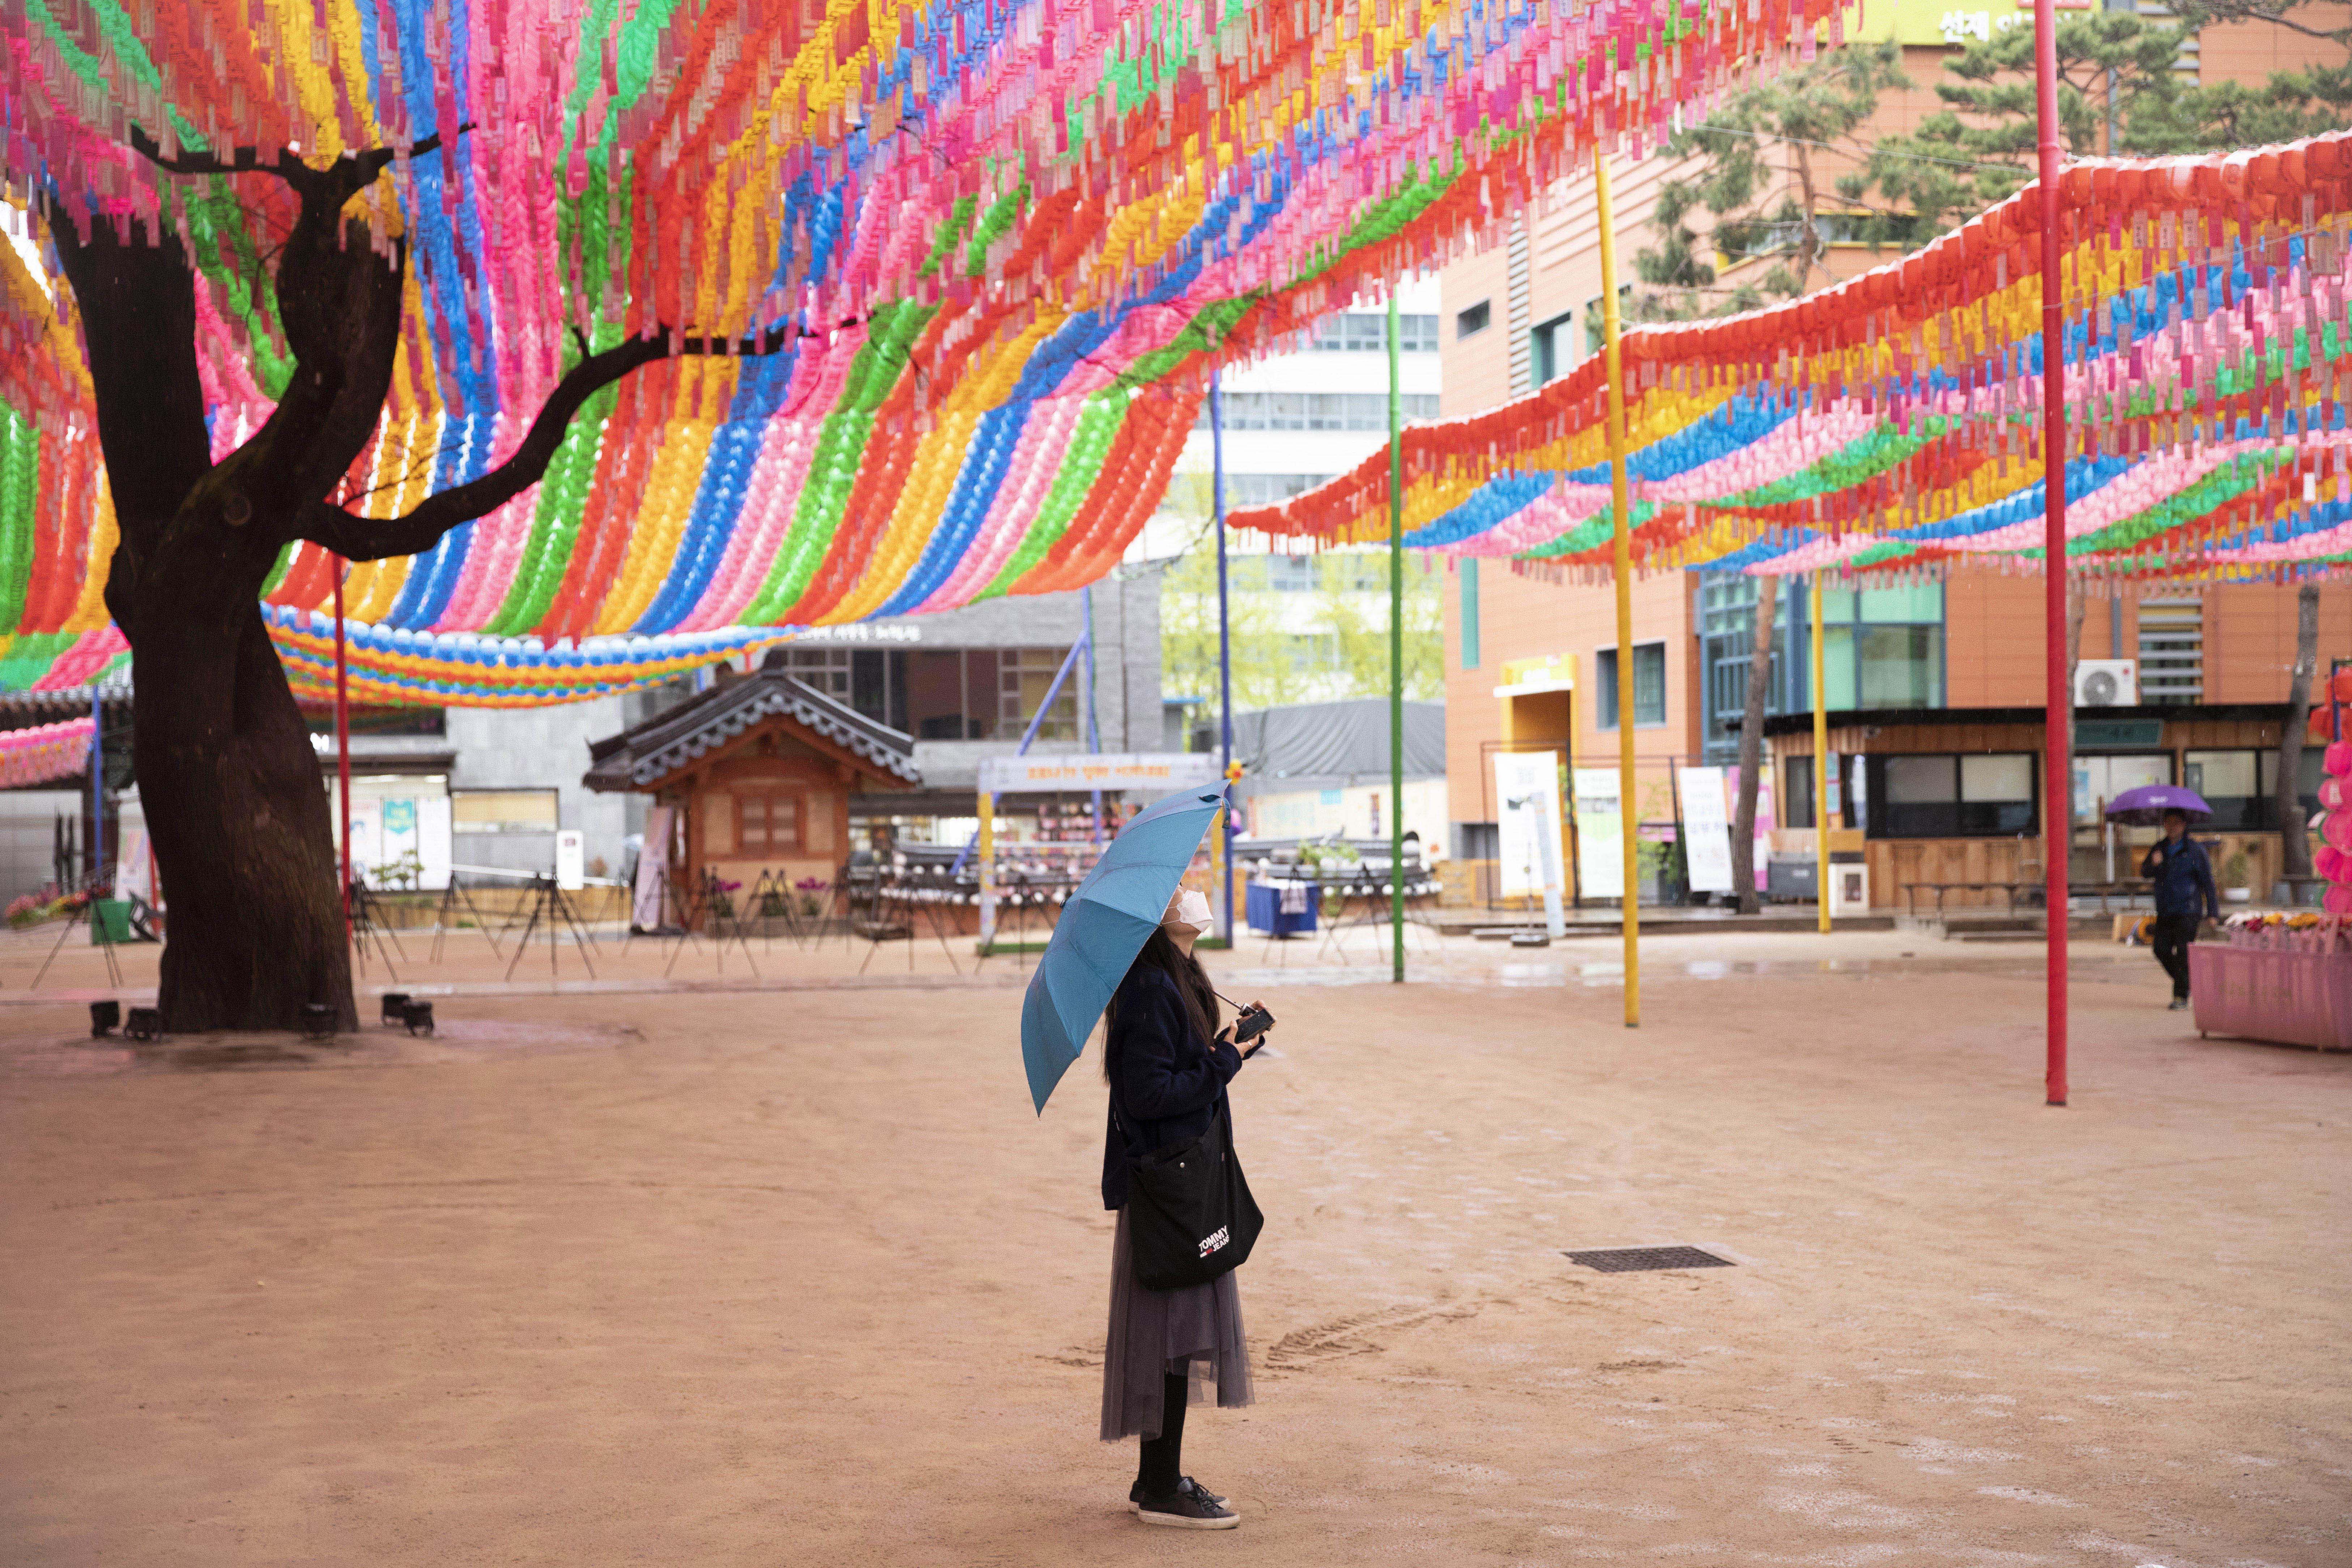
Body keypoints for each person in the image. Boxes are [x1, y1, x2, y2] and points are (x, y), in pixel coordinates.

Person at [1099, 887, 1270, 1529]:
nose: (1193, 891)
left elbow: (1185, 1073)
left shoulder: (1182, 977)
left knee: (1173, 1333)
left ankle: (1156, 1478)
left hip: (1186, 1176)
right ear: (1157, 914)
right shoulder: (1148, 988)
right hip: (1167, 1191)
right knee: (1168, 1333)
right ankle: (1161, 1484)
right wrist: (1223, 1059)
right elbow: (1147, 1095)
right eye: (1178, 889)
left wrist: (1231, 1044)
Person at [2140, 808, 2219, 1010]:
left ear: (2184, 825)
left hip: (2189, 909)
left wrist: (2213, 912)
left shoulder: (2195, 851)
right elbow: (2145, 872)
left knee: (2184, 952)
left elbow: (2208, 883)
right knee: (2161, 949)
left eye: (2176, 822)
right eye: (2168, 822)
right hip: (2166, 908)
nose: (2172, 826)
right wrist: (2153, 863)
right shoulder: (2159, 848)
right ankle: (2187, 982)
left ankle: (2180, 996)